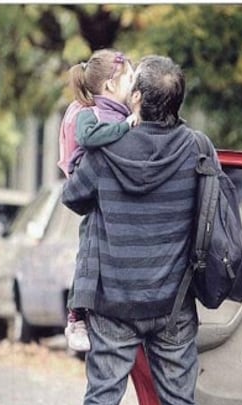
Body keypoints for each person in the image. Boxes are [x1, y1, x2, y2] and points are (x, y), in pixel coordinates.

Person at [62, 55, 205, 405]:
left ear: (138, 97)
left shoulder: (106, 148)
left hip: (113, 301)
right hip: (172, 303)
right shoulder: (196, 148)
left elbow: (73, 197)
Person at [59, 49, 136, 352]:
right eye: (131, 79)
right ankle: (75, 317)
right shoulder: (88, 113)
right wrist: (125, 128)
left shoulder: (120, 114)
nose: (135, 85)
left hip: (107, 198)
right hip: (90, 190)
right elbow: (91, 138)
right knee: (88, 256)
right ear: (111, 85)